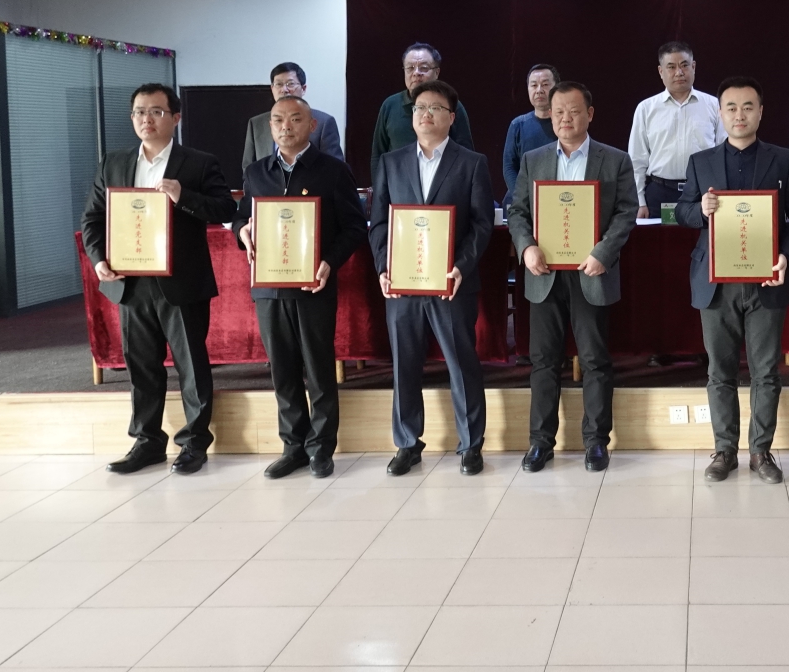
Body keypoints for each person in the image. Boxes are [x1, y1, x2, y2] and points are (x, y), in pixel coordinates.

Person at [81, 84, 236, 475]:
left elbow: (225, 209)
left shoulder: (198, 163)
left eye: (155, 111)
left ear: (175, 118)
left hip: (181, 281)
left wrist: (183, 196)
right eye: (138, 112)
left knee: (191, 365)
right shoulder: (113, 162)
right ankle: (147, 442)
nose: (145, 119)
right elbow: (93, 218)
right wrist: (99, 260)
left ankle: (194, 442)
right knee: (141, 366)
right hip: (130, 281)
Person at [677, 77, 789, 484]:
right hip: (715, 282)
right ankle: (724, 450)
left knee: (766, 371)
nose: (740, 115)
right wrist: (700, 209)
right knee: (719, 371)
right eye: (732, 107)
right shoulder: (700, 161)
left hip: (766, 280)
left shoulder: (784, 160)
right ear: (720, 113)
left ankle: (760, 451)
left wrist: (784, 255)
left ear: (761, 112)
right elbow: (682, 212)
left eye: (748, 107)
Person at [508, 81, 639, 473]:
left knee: (595, 360)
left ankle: (596, 442)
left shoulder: (614, 159)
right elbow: (517, 212)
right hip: (544, 273)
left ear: (590, 114)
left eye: (574, 111)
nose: (565, 118)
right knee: (543, 362)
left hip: (591, 272)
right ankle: (540, 443)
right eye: (558, 112)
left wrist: (603, 252)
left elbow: (626, 212)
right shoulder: (533, 160)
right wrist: (526, 247)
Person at [235, 96, 368, 479]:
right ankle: (292, 446)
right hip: (269, 289)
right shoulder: (256, 172)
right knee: (283, 371)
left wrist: (329, 261)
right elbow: (241, 219)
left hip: (314, 286)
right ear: (269, 127)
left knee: (319, 369)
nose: (285, 126)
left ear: (311, 125)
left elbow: (355, 227)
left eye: (295, 119)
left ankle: (321, 448)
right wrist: (241, 232)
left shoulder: (333, 171)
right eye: (278, 120)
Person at [370, 80, 495, 477]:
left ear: (451, 117)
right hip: (403, 285)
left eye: (435, 108)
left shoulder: (471, 163)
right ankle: (407, 443)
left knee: (461, 363)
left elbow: (482, 224)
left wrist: (461, 266)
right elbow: (378, 223)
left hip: (452, 282)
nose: (425, 114)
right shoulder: (391, 163)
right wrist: (384, 267)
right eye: (419, 108)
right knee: (404, 365)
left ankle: (470, 444)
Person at [627, 41, 724, 219]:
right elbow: (636, 160)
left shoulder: (714, 105)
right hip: (659, 193)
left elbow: (723, 153)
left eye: (684, 65)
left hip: (702, 193)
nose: (679, 72)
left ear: (693, 67)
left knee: (701, 237)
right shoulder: (646, 108)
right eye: (671, 67)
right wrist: (640, 201)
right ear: (660, 71)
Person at [371, 43, 475, 180]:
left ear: (436, 73)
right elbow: (378, 154)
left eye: (424, 68)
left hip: (441, 183)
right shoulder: (390, 105)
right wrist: (380, 187)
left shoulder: (451, 105)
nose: (416, 73)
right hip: (398, 185)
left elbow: (466, 153)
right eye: (410, 68)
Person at [242, 62, 344, 172]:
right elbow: (248, 168)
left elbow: (334, 168)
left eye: (290, 84)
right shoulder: (256, 123)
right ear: (272, 88)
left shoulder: (324, 122)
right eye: (279, 84)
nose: (284, 89)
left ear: (303, 88)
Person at [503, 63, 560, 197]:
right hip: (523, 197)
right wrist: (521, 196)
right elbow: (509, 167)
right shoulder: (518, 125)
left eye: (545, 84)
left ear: (556, 88)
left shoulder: (565, 123)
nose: (539, 90)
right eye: (534, 85)